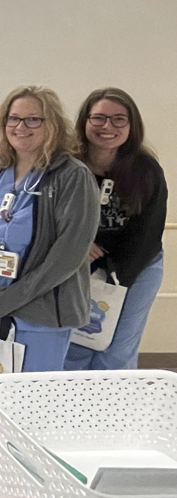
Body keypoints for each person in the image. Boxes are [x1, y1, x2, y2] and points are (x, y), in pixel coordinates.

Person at [0, 86, 99, 375]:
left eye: (33, 119)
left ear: (54, 125)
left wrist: (9, 300)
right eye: (14, 119)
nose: (21, 127)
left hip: (40, 315)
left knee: (33, 410)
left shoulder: (72, 176)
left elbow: (68, 254)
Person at [65, 88, 167, 371]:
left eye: (118, 119)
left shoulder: (146, 170)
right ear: (85, 121)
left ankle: (112, 413)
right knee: (75, 348)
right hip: (76, 265)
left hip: (136, 267)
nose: (107, 127)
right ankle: (73, 413)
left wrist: (111, 272)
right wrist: (79, 246)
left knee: (116, 350)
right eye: (98, 118)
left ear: (131, 126)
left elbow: (147, 234)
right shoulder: (67, 166)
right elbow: (51, 218)